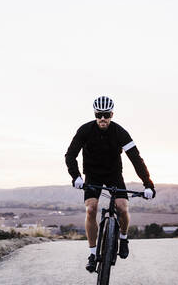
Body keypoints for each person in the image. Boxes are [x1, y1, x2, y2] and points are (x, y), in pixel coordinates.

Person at [65, 95, 156, 273]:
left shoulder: (120, 133)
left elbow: (136, 159)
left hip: (114, 174)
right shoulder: (85, 130)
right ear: (95, 114)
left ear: (112, 114)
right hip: (92, 174)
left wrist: (148, 184)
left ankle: (123, 238)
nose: (102, 118)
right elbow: (70, 155)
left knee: (122, 207)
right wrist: (76, 176)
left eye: (106, 114)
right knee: (91, 209)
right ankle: (92, 254)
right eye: (99, 114)